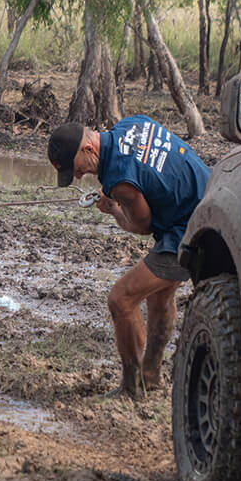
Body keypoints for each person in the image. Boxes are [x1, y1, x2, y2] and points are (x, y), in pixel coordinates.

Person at [48, 115, 210, 398]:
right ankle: (151, 377)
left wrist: (113, 209)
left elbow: (143, 226)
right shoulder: (131, 124)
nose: (76, 176)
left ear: (88, 150)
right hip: (207, 194)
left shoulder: (119, 181)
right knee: (159, 297)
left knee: (121, 299)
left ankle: (131, 387)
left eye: (75, 169)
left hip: (191, 228)